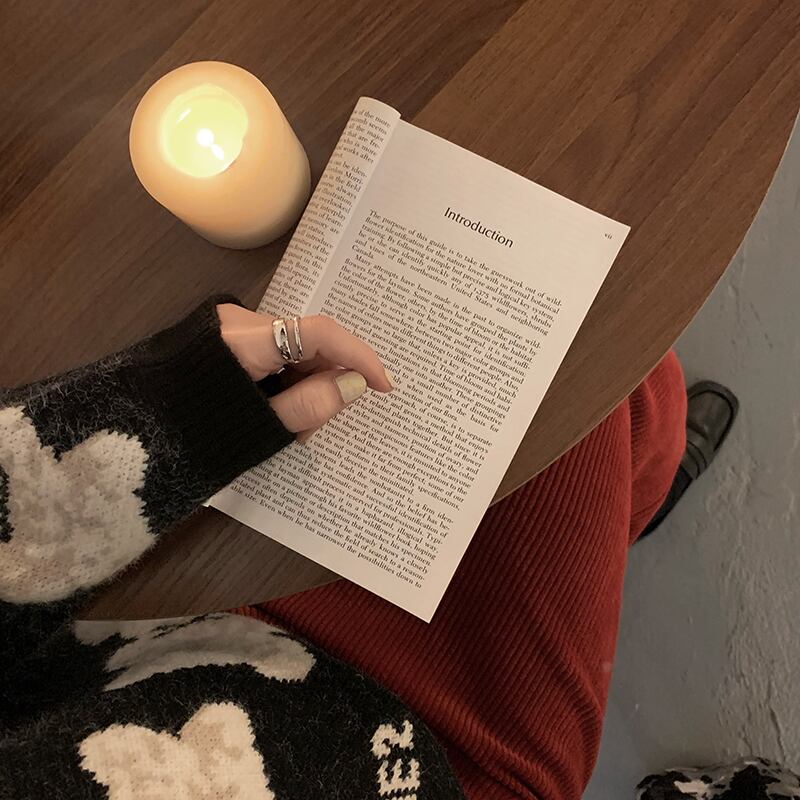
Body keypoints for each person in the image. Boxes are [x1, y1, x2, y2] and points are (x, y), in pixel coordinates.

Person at [0, 296, 724, 798]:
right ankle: (633, 515)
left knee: (601, 376)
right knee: (604, 370)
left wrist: (179, 404)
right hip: (425, 763)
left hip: (123, 642)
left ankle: (629, 518)